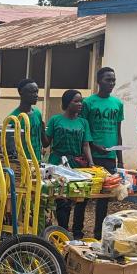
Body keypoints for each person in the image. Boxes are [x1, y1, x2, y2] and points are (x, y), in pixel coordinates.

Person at [79, 66, 125, 239]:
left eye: (113, 80)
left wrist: (120, 159)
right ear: (99, 81)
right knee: (84, 196)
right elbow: (83, 129)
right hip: (91, 157)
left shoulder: (118, 104)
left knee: (104, 198)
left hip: (109, 157)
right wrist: (94, 146)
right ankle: (77, 231)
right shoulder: (88, 103)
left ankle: (99, 233)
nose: (111, 83)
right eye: (108, 80)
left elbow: (118, 132)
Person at [44, 90, 95, 237]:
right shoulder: (55, 120)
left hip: (76, 163)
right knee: (62, 199)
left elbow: (85, 145)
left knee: (80, 197)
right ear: (67, 103)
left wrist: (91, 163)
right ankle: (63, 231)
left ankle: (78, 230)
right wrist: (41, 130)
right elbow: (46, 142)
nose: (80, 104)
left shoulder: (83, 122)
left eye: (81, 101)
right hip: (58, 163)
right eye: (76, 101)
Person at [11, 79, 44, 160]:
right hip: (23, 162)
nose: (36, 95)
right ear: (21, 93)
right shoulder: (14, 118)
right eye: (32, 92)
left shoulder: (37, 113)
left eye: (37, 92)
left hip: (37, 161)